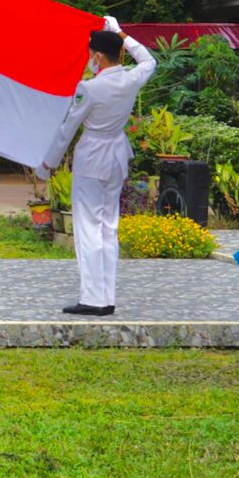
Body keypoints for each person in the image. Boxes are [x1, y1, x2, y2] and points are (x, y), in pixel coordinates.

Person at [41, 18, 157, 316]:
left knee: (88, 228)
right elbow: (149, 59)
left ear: (97, 57)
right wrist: (120, 33)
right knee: (108, 227)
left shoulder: (89, 88)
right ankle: (106, 297)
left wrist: (48, 162)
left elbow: (68, 127)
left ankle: (93, 298)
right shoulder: (131, 78)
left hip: (93, 157)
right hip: (117, 155)